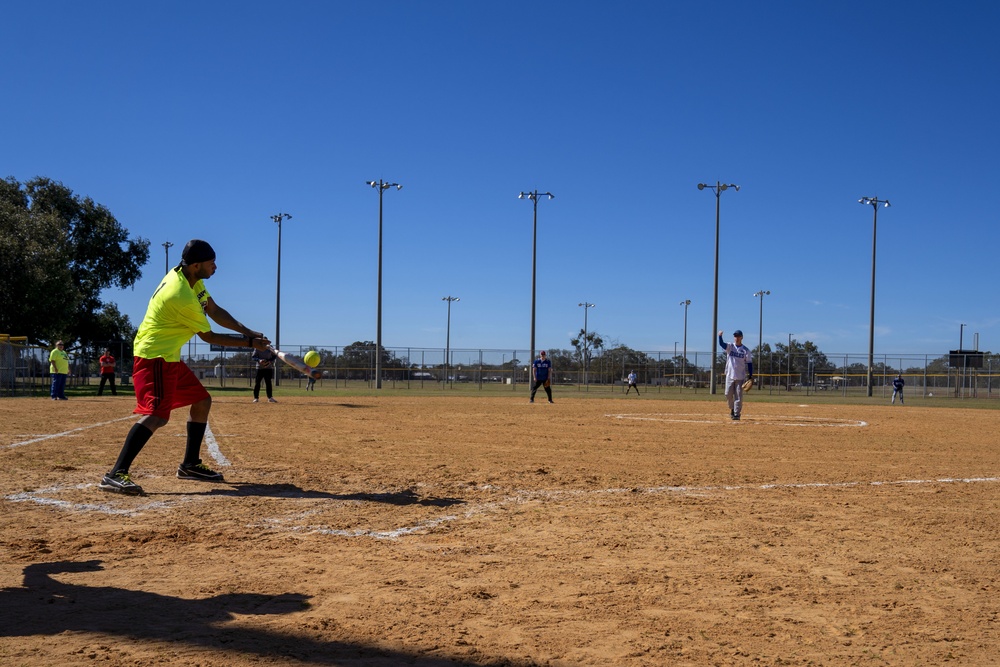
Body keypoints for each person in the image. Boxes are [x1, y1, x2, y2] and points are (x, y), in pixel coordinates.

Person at [99, 239, 271, 495]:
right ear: (196, 265)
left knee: (201, 401)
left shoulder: (191, 279)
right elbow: (209, 337)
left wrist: (249, 332)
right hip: (153, 356)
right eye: (212, 262)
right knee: (158, 415)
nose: (216, 266)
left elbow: (214, 310)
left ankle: (190, 464)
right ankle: (115, 474)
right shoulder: (179, 294)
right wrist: (250, 343)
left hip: (168, 356)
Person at [718, 329, 753, 421]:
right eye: (735, 336)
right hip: (729, 375)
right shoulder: (730, 346)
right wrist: (720, 336)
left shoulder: (746, 350)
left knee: (738, 396)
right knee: (727, 394)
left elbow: (749, 363)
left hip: (740, 377)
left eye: (738, 336)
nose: (736, 338)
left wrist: (750, 375)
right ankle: (732, 409)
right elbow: (721, 344)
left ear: (742, 337)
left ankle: (737, 414)